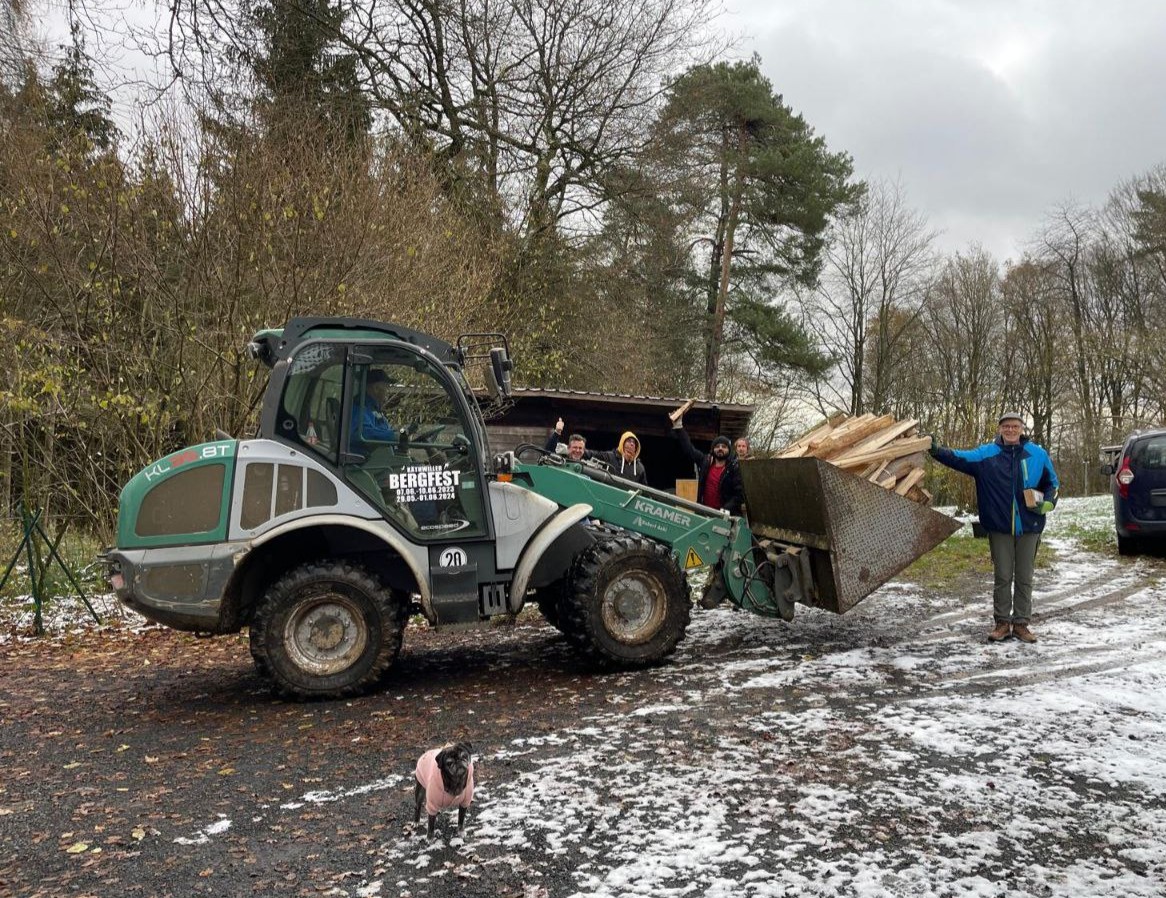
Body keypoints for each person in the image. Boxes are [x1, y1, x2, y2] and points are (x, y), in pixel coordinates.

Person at [928, 411, 1059, 644]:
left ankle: (1021, 624)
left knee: (1025, 577)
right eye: (1006, 426)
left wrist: (1048, 501)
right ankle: (1001, 624)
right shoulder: (986, 454)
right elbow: (959, 458)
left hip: (1030, 526)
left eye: (1015, 426)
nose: (1010, 430)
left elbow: (1052, 483)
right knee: (1003, 576)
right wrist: (937, 451)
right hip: (999, 527)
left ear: (1021, 428)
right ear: (1000, 429)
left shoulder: (1037, 454)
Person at [669, 410, 744, 515]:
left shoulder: (734, 468)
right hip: (704, 512)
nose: (720, 449)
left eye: (724, 446)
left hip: (725, 515)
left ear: (729, 449)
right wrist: (679, 427)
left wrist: (726, 509)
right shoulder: (706, 462)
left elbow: (739, 495)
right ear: (713, 449)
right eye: (717, 446)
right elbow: (689, 449)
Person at [350, 368, 398, 452]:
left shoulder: (374, 408)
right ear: (376, 388)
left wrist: (399, 434)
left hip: (379, 455)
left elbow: (382, 430)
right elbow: (363, 434)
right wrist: (393, 436)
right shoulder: (359, 406)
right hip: (365, 459)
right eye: (386, 388)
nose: (388, 392)